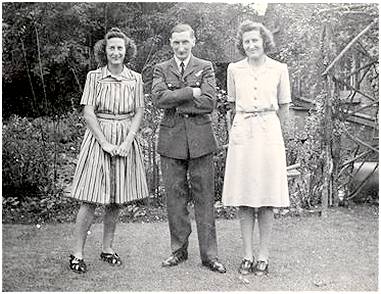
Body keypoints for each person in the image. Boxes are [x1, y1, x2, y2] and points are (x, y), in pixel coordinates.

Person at [68, 27, 149, 274]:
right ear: (105, 51)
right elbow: (88, 112)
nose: (115, 52)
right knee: (90, 197)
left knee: (116, 200)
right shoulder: (94, 77)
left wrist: (127, 142)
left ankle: (107, 248)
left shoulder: (135, 78)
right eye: (111, 48)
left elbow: (139, 111)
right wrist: (104, 142)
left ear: (127, 51)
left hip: (125, 139)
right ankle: (77, 253)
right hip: (98, 138)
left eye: (120, 48)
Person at [151, 23, 226, 274]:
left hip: (201, 141)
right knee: (175, 199)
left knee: (205, 199)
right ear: (170, 43)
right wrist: (191, 91)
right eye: (176, 43)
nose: (181, 47)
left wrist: (179, 100)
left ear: (193, 41)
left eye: (185, 42)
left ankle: (210, 256)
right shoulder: (161, 68)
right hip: (171, 142)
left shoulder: (205, 67)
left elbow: (209, 102)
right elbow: (159, 99)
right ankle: (178, 251)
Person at [222, 20, 291, 276]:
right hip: (243, 132)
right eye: (247, 41)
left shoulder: (279, 69)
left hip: (269, 132)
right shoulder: (234, 69)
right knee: (245, 195)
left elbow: (284, 106)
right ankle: (247, 254)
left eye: (255, 40)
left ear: (264, 42)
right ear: (243, 44)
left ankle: (263, 255)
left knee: (266, 197)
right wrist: (238, 131)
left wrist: (276, 136)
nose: (251, 45)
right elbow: (231, 103)